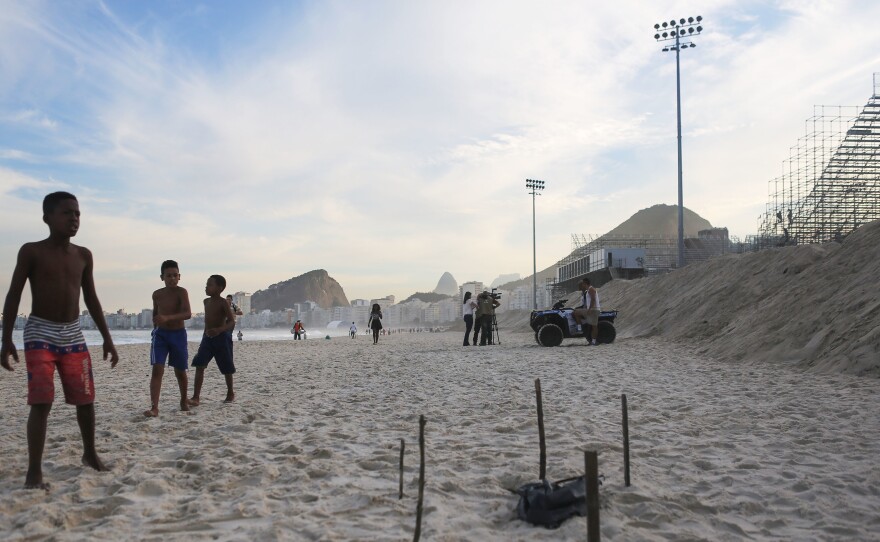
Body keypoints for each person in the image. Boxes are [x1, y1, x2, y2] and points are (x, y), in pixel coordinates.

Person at [1, 192, 119, 490]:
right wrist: (6, 339)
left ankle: (90, 454)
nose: (74, 219)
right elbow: (13, 294)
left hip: (73, 333)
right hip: (39, 332)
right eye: (67, 213)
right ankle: (34, 472)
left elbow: (91, 298)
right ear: (47, 218)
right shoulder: (32, 251)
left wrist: (107, 338)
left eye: (77, 213)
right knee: (41, 401)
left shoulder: (83, 255)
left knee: (86, 398)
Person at [144, 260, 192, 417]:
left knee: (180, 371)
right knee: (157, 369)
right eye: (168, 275)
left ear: (179, 276)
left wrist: (167, 318)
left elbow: (187, 313)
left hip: (178, 334)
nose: (172, 278)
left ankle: (184, 400)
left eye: (175, 275)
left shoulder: (181, 292)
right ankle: (154, 407)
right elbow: (155, 313)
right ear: (162, 277)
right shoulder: (157, 294)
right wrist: (155, 327)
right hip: (161, 335)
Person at [189, 275, 237, 405]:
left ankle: (230, 392)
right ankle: (196, 397)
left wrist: (220, 330)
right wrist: (205, 334)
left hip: (221, 338)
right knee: (200, 364)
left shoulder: (223, 303)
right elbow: (207, 321)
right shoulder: (206, 302)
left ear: (219, 288)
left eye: (210, 284)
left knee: (227, 367)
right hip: (207, 339)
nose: (206, 287)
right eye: (206, 284)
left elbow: (232, 322)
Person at [572, 278, 601, 345]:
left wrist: (590, 309)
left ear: (585, 283)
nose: (582, 285)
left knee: (594, 326)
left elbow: (593, 299)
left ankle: (593, 342)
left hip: (594, 310)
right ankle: (581, 326)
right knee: (575, 312)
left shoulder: (591, 289)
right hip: (591, 309)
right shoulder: (588, 290)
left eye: (583, 284)